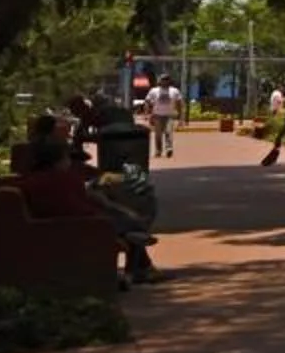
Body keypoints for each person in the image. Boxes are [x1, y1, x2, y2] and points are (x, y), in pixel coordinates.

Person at [16, 128, 160, 284]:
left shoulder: (29, 181)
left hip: (55, 228)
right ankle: (137, 266)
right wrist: (107, 206)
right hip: (84, 228)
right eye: (67, 157)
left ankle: (140, 264)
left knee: (126, 221)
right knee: (132, 222)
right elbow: (80, 207)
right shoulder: (67, 180)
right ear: (60, 159)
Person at [146, 72, 182, 158]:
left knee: (168, 132)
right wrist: (149, 114)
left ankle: (169, 148)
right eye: (163, 80)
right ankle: (158, 150)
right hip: (157, 115)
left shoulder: (174, 91)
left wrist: (180, 115)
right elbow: (147, 101)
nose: (164, 81)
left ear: (169, 81)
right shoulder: (154, 91)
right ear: (160, 81)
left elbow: (179, 103)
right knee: (158, 134)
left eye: (166, 79)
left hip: (169, 115)